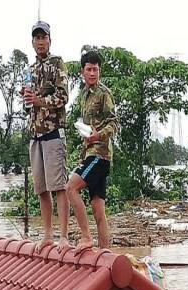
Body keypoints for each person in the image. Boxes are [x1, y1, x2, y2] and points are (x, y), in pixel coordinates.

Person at [22, 21, 70, 251]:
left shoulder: (57, 63)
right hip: (35, 134)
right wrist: (27, 98)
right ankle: (48, 234)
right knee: (41, 188)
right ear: (32, 42)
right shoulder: (29, 70)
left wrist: (40, 101)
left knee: (58, 186)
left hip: (53, 132)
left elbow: (63, 97)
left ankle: (64, 236)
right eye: (36, 38)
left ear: (50, 40)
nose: (40, 41)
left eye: (43, 37)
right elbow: (27, 105)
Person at [66, 50, 119, 253]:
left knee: (70, 188)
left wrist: (97, 136)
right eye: (89, 69)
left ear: (99, 71)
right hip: (90, 153)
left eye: (95, 69)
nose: (92, 73)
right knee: (98, 210)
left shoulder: (104, 93)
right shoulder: (83, 96)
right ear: (82, 72)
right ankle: (105, 254)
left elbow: (114, 123)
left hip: (100, 155)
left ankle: (86, 238)